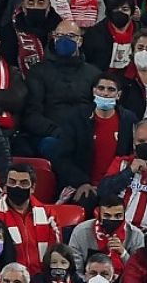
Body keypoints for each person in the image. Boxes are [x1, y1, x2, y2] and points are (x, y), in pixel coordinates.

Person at [22, 19, 100, 159]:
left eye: (70, 36)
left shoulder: (93, 74)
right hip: (52, 135)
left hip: (85, 133)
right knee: (58, 147)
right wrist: (56, 131)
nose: (64, 40)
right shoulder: (39, 72)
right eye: (59, 36)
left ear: (80, 41)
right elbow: (31, 114)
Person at [56, 74, 138, 202]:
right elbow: (63, 158)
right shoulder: (76, 118)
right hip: (84, 185)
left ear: (119, 95)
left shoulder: (128, 120)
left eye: (111, 90)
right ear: (94, 91)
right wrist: (81, 182)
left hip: (118, 186)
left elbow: (132, 155)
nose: (105, 93)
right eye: (101, 88)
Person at [68, 194, 146, 272]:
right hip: (87, 281)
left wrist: (123, 253)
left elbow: (139, 272)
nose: (112, 219)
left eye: (118, 216)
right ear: (99, 215)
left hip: (123, 281)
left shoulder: (136, 235)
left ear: (124, 215)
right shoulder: (81, 231)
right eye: (107, 216)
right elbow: (75, 270)